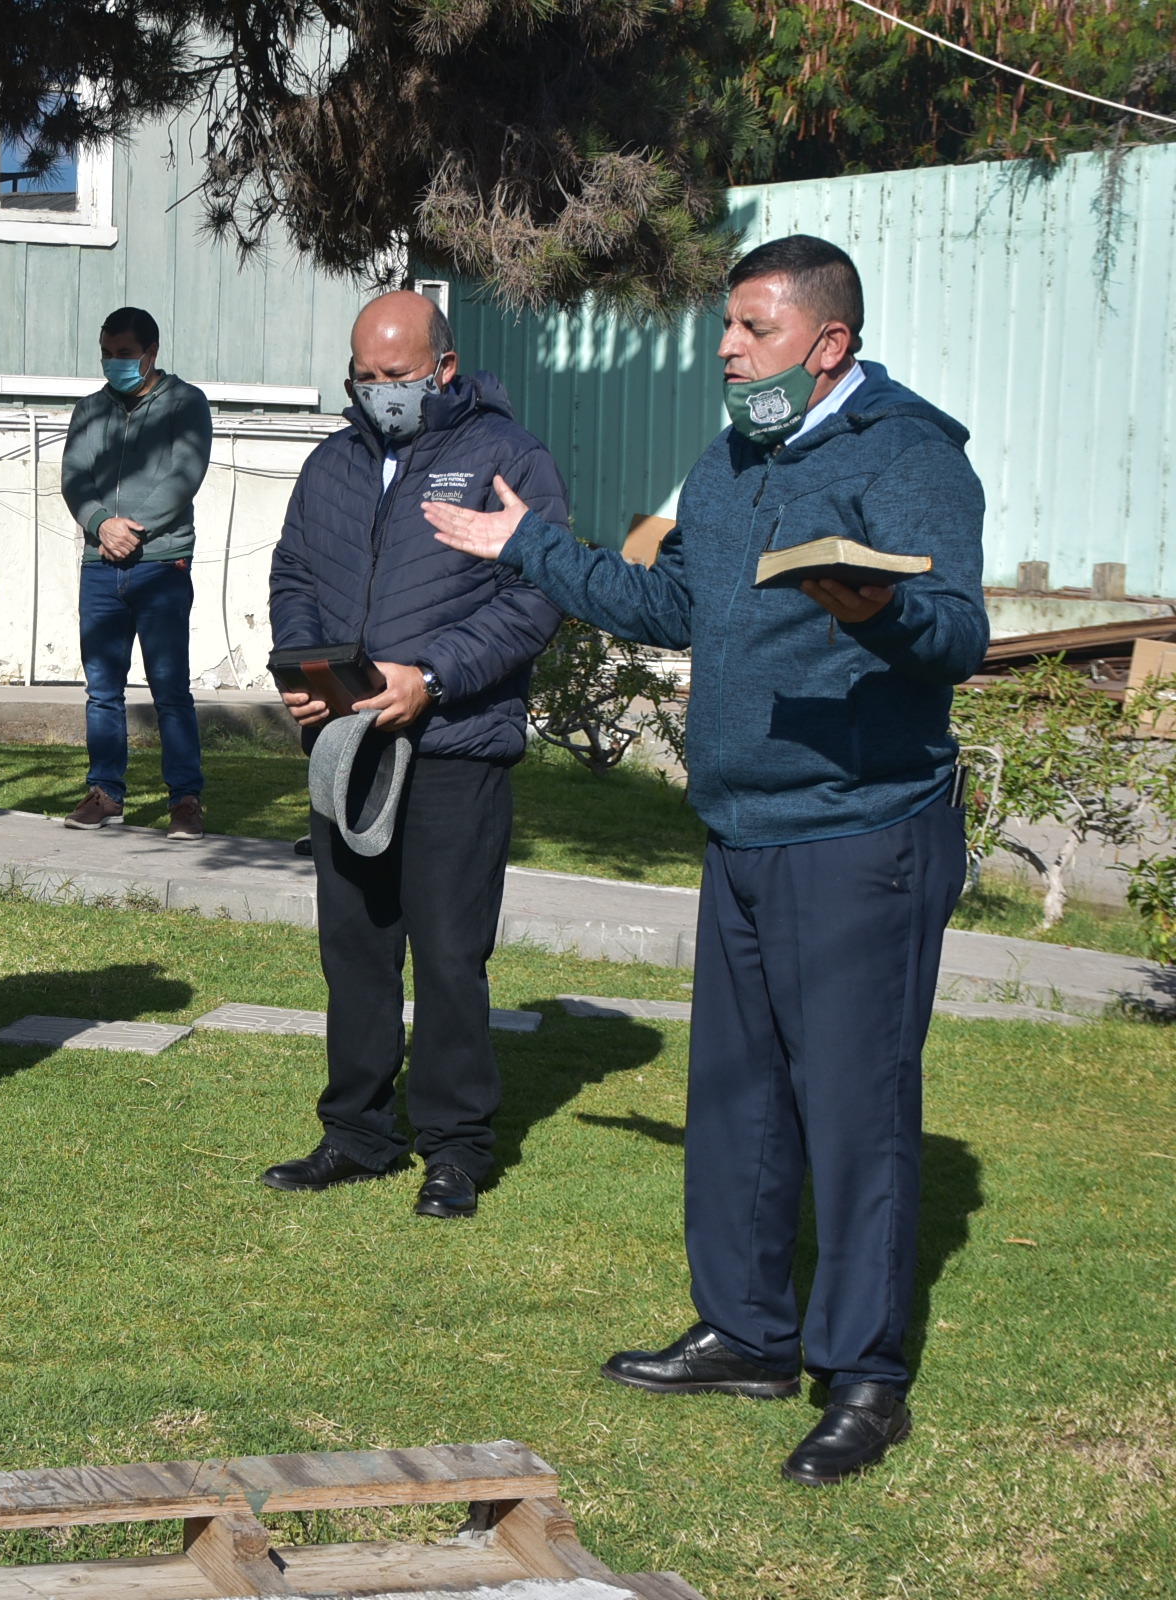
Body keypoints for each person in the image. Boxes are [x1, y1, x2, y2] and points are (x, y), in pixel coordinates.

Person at [424, 235, 987, 1485]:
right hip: (740, 831)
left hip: (863, 831)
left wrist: (877, 607)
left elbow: (956, 632)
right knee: (735, 1102)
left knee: (855, 1112)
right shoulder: (732, 459)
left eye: (752, 330)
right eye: (726, 329)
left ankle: (865, 1376)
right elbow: (669, 605)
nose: (727, 350)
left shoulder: (912, 454)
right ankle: (746, 1330)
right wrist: (529, 547)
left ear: (827, 345)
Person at [259, 290, 567, 1220]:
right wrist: (305, 668)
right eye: (365, 376)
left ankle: (455, 1147)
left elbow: (534, 597)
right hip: (349, 739)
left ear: (443, 366)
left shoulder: (507, 458)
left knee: (445, 953)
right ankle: (355, 1130)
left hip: (454, 746)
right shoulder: (334, 461)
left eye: (397, 376)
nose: (380, 392)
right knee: (353, 947)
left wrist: (431, 675)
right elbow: (294, 573)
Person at [58, 306, 214, 839]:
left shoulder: (186, 402)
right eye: (106, 352)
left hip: (161, 564)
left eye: (124, 354)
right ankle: (105, 793)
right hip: (100, 566)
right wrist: (101, 525)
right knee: (102, 689)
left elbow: (183, 476)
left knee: (170, 687)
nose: (113, 362)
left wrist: (134, 529)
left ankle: (185, 801)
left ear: (151, 353)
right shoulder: (89, 410)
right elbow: (74, 476)